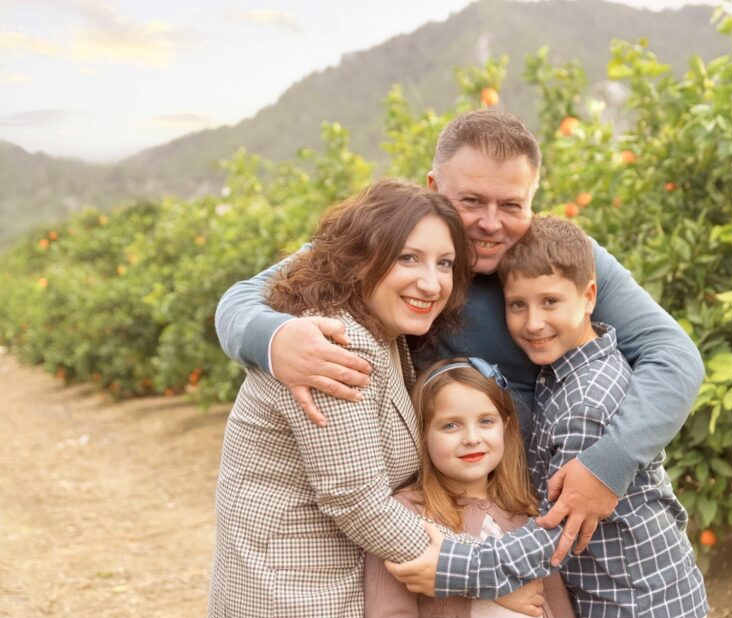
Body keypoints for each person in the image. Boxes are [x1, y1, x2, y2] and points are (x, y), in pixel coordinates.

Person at [214, 109, 705, 564]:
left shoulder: (558, 262)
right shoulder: (398, 239)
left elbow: (674, 356)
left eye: (511, 205)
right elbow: (241, 298)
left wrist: (608, 465)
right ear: (434, 185)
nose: (490, 224)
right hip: (441, 516)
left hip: (554, 511)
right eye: (470, 201)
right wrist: (274, 339)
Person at [387, 217, 708, 618]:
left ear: (590, 297)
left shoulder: (587, 401)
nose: (533, 323)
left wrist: (455, 566)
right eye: (518, 305)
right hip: (616, 611)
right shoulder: (560, 374)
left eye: (550, 302)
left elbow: (558, 532)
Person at [204, 179, 475, 618]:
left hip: (329, 578)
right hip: (303, 595)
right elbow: (355, 497)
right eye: (408, 259)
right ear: (360, 259)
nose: (432, 282)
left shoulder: (381, 330)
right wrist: (476, 570)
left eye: (444, 263)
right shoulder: (337, 344)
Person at [363, 358, 591, 618]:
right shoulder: (406, 515)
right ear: (422, 433)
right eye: (450, 425)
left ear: (507, 426)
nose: (471, 438)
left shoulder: (525, 511)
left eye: (485, 421)